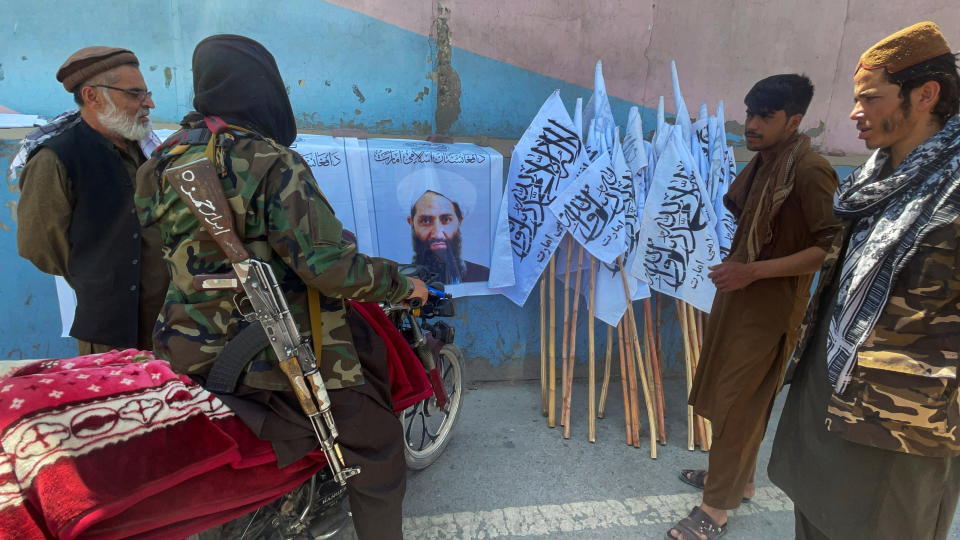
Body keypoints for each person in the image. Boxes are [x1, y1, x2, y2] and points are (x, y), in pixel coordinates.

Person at [135, 35, 426, 540]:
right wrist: (402, 284)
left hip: (186, 347)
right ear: (260, 88)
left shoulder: (161, 161)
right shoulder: (270, 160)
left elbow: (162, 256)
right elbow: (329, 269)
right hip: (278, 350)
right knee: (376, 446)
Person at [768, 21, 960, 540]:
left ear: (926, 94)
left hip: (901, 430)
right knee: (812, 518)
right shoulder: (873, 177)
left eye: (870, 99)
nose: (855, 112)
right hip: (829, 394)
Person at [667, 75, 841, 540]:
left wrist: (753, 273)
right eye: (749, 114)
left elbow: (832, 246)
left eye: (765, 116)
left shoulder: (809, 170)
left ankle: (715, 509)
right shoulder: (768, 160)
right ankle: (737, 482)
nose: (752, 125)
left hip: (770, 306)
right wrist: (739, 274)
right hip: (739, 295)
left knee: (738, 404)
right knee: (730, 395)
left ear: (795, 120)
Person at [16, 46, 168, 354]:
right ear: (92, 96)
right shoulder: (56, 158)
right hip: (108, 331)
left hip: (169, 325)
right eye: (135, 94)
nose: (148, 103)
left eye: (147, 93)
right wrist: (100, 275)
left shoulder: (146, 150)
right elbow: (39, 245)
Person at [399, 170, 490, 284]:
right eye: (426, 220)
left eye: (446, 219)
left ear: (459, 220)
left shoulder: (482, 276)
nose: (437, 234)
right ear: (411, 222)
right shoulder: (399, 279)